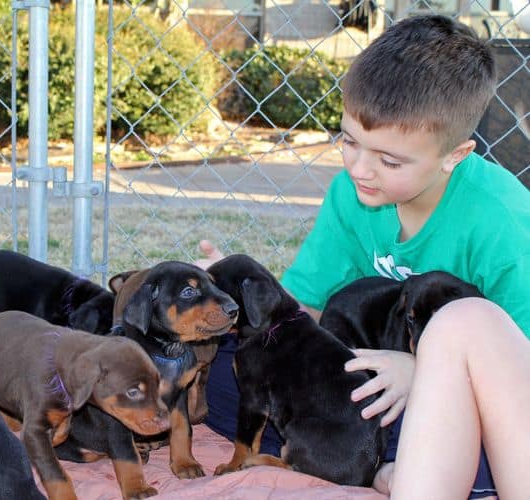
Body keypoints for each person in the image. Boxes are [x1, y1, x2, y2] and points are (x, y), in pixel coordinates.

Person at [195, 14, 530, 498]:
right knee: (230, 376)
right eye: (349, 140)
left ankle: (389, 465)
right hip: (368, 393)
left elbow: (515, 374)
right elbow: (302, 312)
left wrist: (423, 375)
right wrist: (238, 296)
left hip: (474, 406)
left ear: (454, 155)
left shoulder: (501, 219)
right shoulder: (350, 194)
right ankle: (377, 465)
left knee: (474, 435)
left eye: (389, 160)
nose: (359, 167)